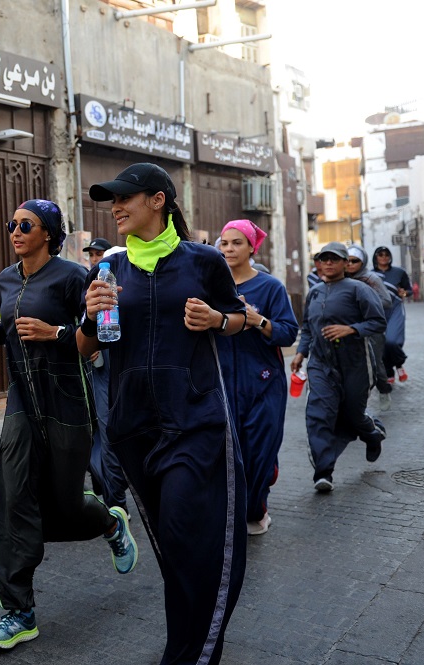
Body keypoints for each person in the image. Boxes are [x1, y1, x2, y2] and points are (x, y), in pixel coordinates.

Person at [79, 163, 248, 665]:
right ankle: (186, 643)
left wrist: (218, 319)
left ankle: (194, 652)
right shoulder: (109, 271)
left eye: (124, 197)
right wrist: (90, 314)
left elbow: (238, 317)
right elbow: (83, 346)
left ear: (157, 200)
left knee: (188, 532)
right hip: (134, 428)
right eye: (111, 200)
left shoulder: (202, 262)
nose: (116, 207)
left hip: (194, 421)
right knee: (174, 547)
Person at [0, 199, 138, 651]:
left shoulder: (72, 277)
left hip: (66, 399)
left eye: (26, 224)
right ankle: (19, 611)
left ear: (48, 234)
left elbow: (91, 340)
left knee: (61, 508)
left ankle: (108, 521)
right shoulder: (8, 278)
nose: (16, 230)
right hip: (23, 400)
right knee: (12, 497)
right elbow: (17, 327)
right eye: (12, 224)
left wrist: (54, 333)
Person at [216, 220, 298, 536]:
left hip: (264, 382)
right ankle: (239, 508)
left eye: (236, 243)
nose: (228, 249)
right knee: (229, 454)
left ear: (252, 247)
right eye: (224, 243)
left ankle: (257, 508)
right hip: (222, 382)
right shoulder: (212, 287)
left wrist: (259, 320)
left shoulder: (270, 287)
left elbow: (288, 332)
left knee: (260, 451)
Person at [291, 242, 387, 493]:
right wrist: (301, 352)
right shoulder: (314, 292)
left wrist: (351, 329)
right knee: (318, 415)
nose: (329, 263)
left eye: (335, 259)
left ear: (346, 263)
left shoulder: (359, 289)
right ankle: (323, 472)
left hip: (355, 362)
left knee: (352, 415)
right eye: (324, 259)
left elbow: (378, 322)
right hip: (321, 364)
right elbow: (308, 329)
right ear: (319, 263)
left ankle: (372, 433)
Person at [82, 236, 128, 514]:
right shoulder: (91, 284)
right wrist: (91, 343)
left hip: (127, 371)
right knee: (106, 432)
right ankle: (115, 502)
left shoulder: (127, 287)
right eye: (94, 255)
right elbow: (82, 327)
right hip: (101, 372)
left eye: (101, 254)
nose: (96, 258)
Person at [345, 245, 393, 410]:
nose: (350, 264)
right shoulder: (341, 278)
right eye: (347, 261)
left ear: (363, 261)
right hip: (348, 328)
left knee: (374, 363)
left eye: (354, 261)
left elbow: (387, 301)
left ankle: (384, 388)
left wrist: (365, 303)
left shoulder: (371, 279)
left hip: (371, 327)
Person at [372, 246, 412, 383]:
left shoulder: (399, 272)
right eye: (380, 254)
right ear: (375, 257)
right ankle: (390, 371)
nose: (384, 257)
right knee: (381, 344)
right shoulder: (370, 275)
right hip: (377, 312)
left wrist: (404, 293)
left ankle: (399, 363)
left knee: (392, 341)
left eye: (386, 254)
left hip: (395, 309)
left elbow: (409, 290)